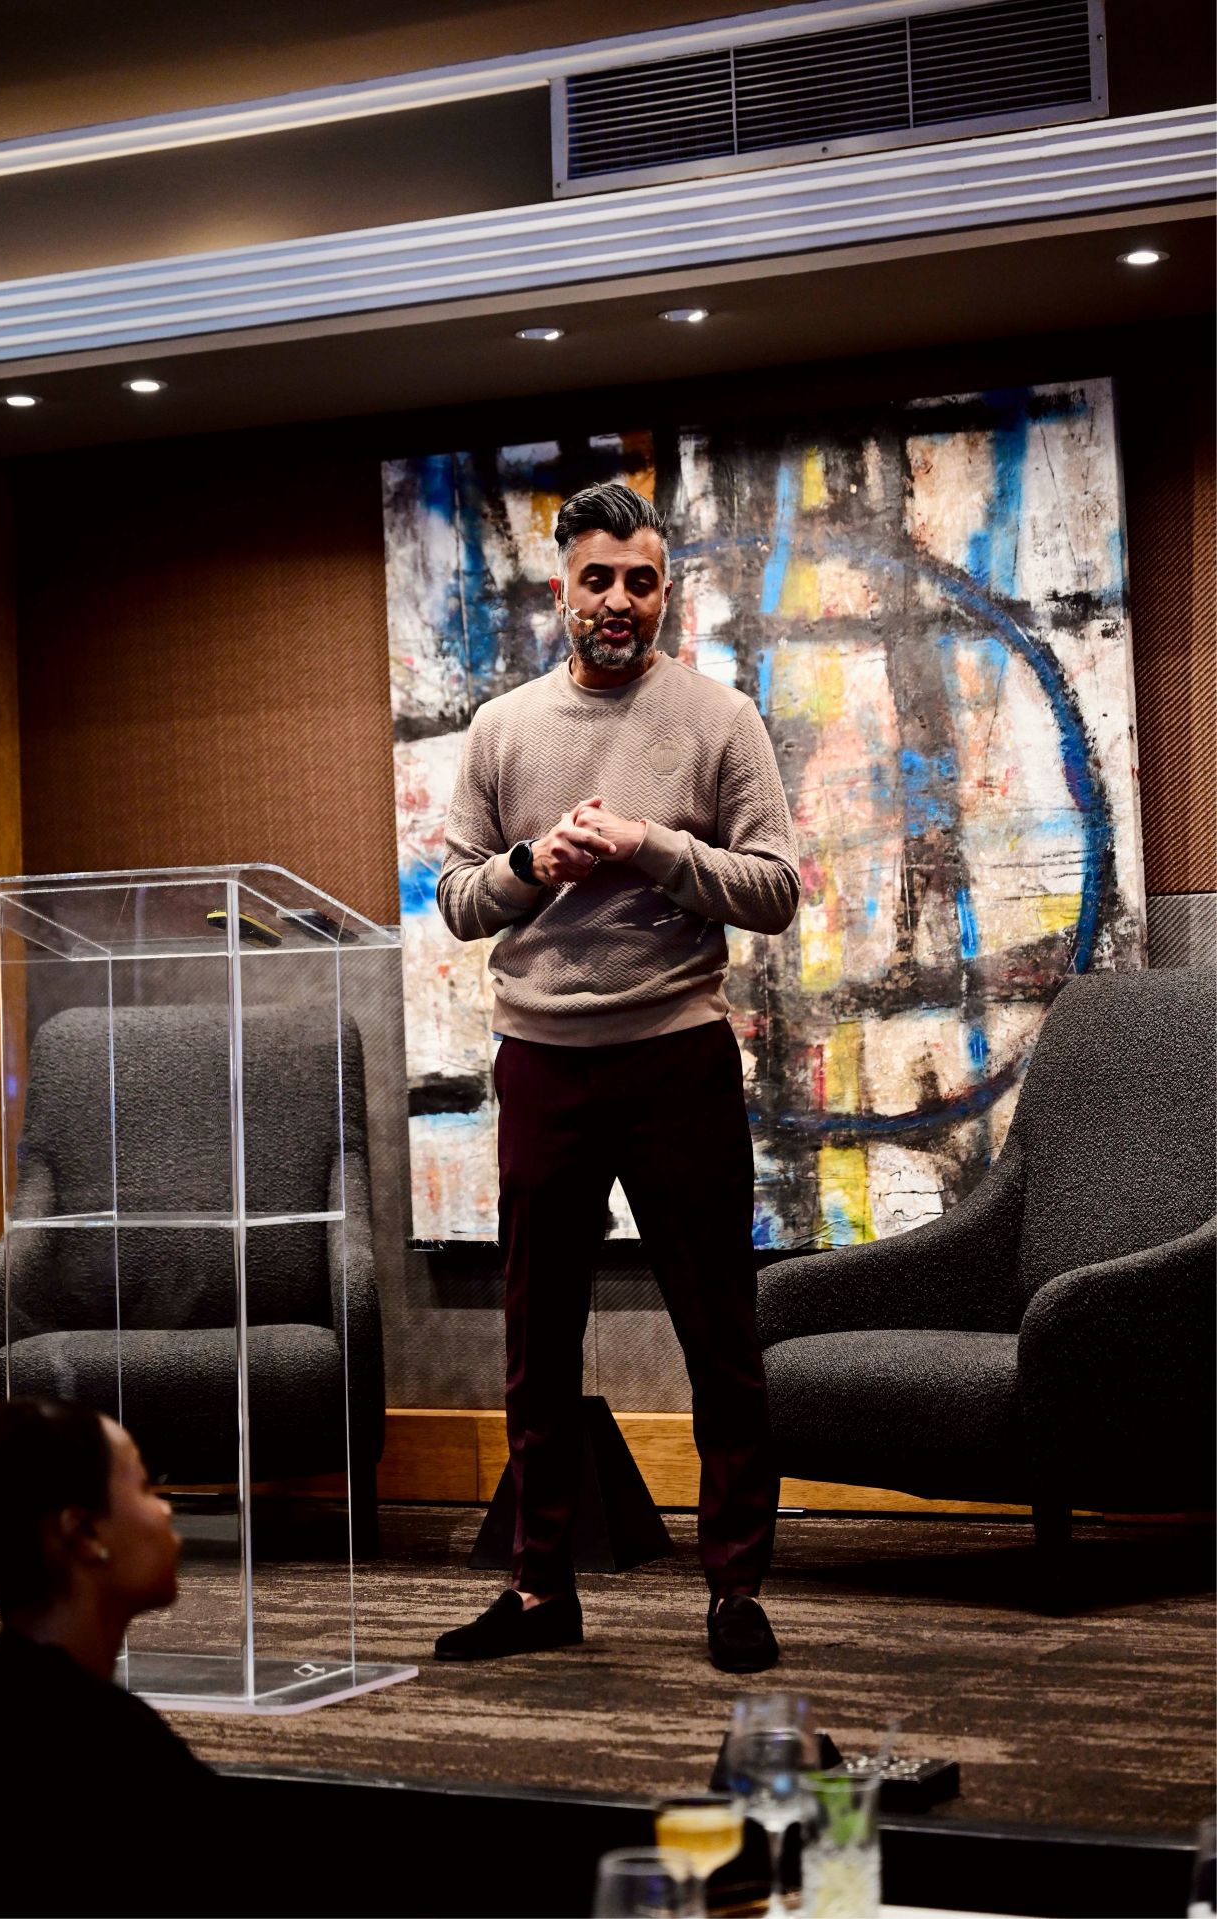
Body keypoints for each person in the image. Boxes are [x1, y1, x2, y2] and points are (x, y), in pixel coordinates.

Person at [434, 481, 799, 1672]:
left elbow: (773, 889)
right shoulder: (503, 728)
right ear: (563, 589)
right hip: (541, 1061)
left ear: (664, 592)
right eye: (598, 577)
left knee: (719, 1334)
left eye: (640, 580)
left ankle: (733, 1589)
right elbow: (455, 899)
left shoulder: (717, 717)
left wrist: (650, 845)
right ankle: (540, 1587)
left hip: (676, 1058)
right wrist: (533, 862)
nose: (619, 600)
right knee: (537, 1339)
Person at [0, 1397, 215, 1913]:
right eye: (144, 1487)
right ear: (84, 1532)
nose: (165, 1510)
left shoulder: (9, 1693)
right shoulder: (109, 1755)